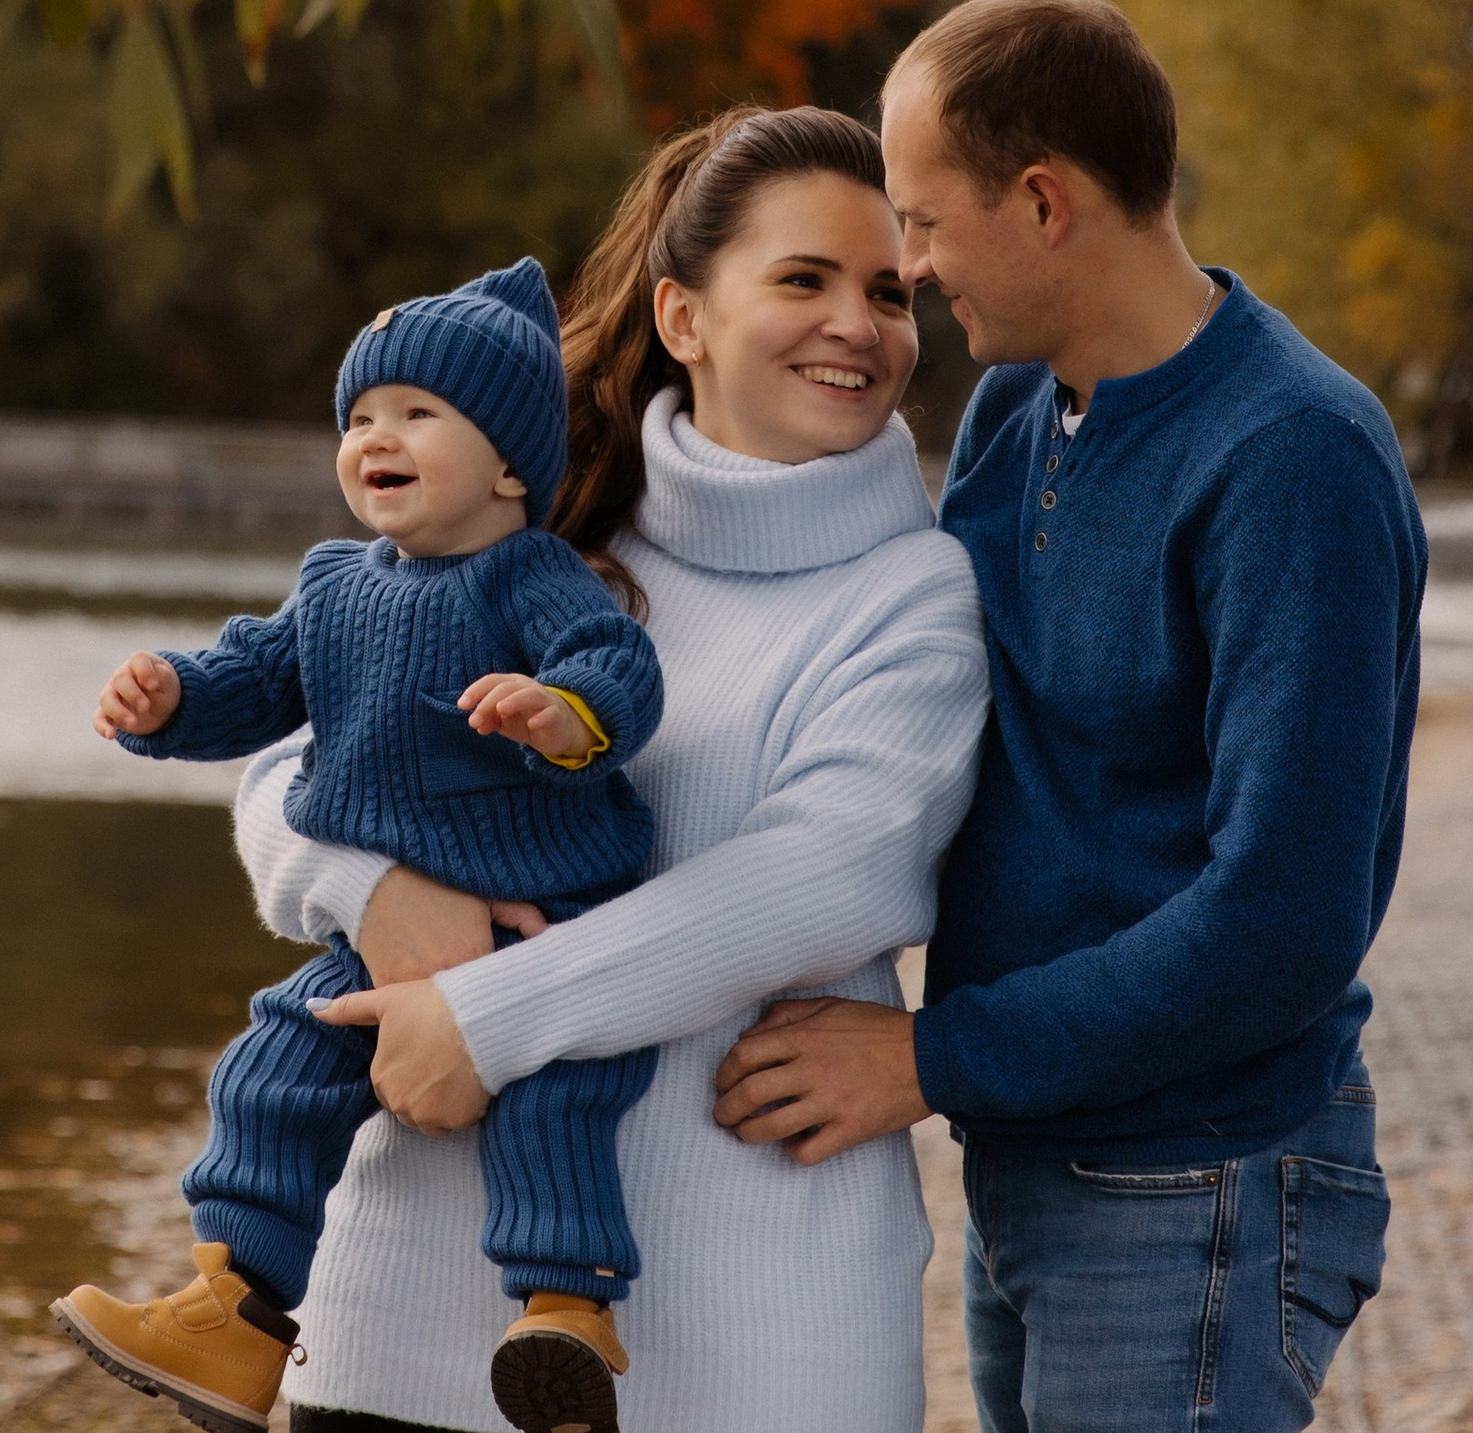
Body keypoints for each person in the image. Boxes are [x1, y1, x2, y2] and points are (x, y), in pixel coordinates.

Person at [711, 0, 1427, 1433]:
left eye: (919, 221)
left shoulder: (1294, 459)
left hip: (1199, 1183)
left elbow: (1282, 922)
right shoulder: (1018, 412)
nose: (903, 269)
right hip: (1032, 1157)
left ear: (1042, 203)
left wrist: (926, 1057)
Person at [234, 106, 990, 1433]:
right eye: (803, 278)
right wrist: (369, 894)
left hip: (756, 1350)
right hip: (402, 1313)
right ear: (684, 319)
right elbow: (282, 771)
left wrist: (488, 1016)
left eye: (887, 290)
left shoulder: (916, 595)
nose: (860, 325)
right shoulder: (531, 531)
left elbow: (816, 879)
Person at [54, 259, 666, 1433]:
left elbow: (615, 660)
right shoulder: (332, 585)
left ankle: (564, 1310)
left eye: (417, 414)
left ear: (506, 465)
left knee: (556, 1106)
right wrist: (170, 696)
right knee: (271, 1072)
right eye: (360, 417)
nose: (376, 435)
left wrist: (563, 712)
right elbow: (253, 681)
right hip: (379, 937)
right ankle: (233, 1311)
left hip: (546, 920)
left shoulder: (530, 572)